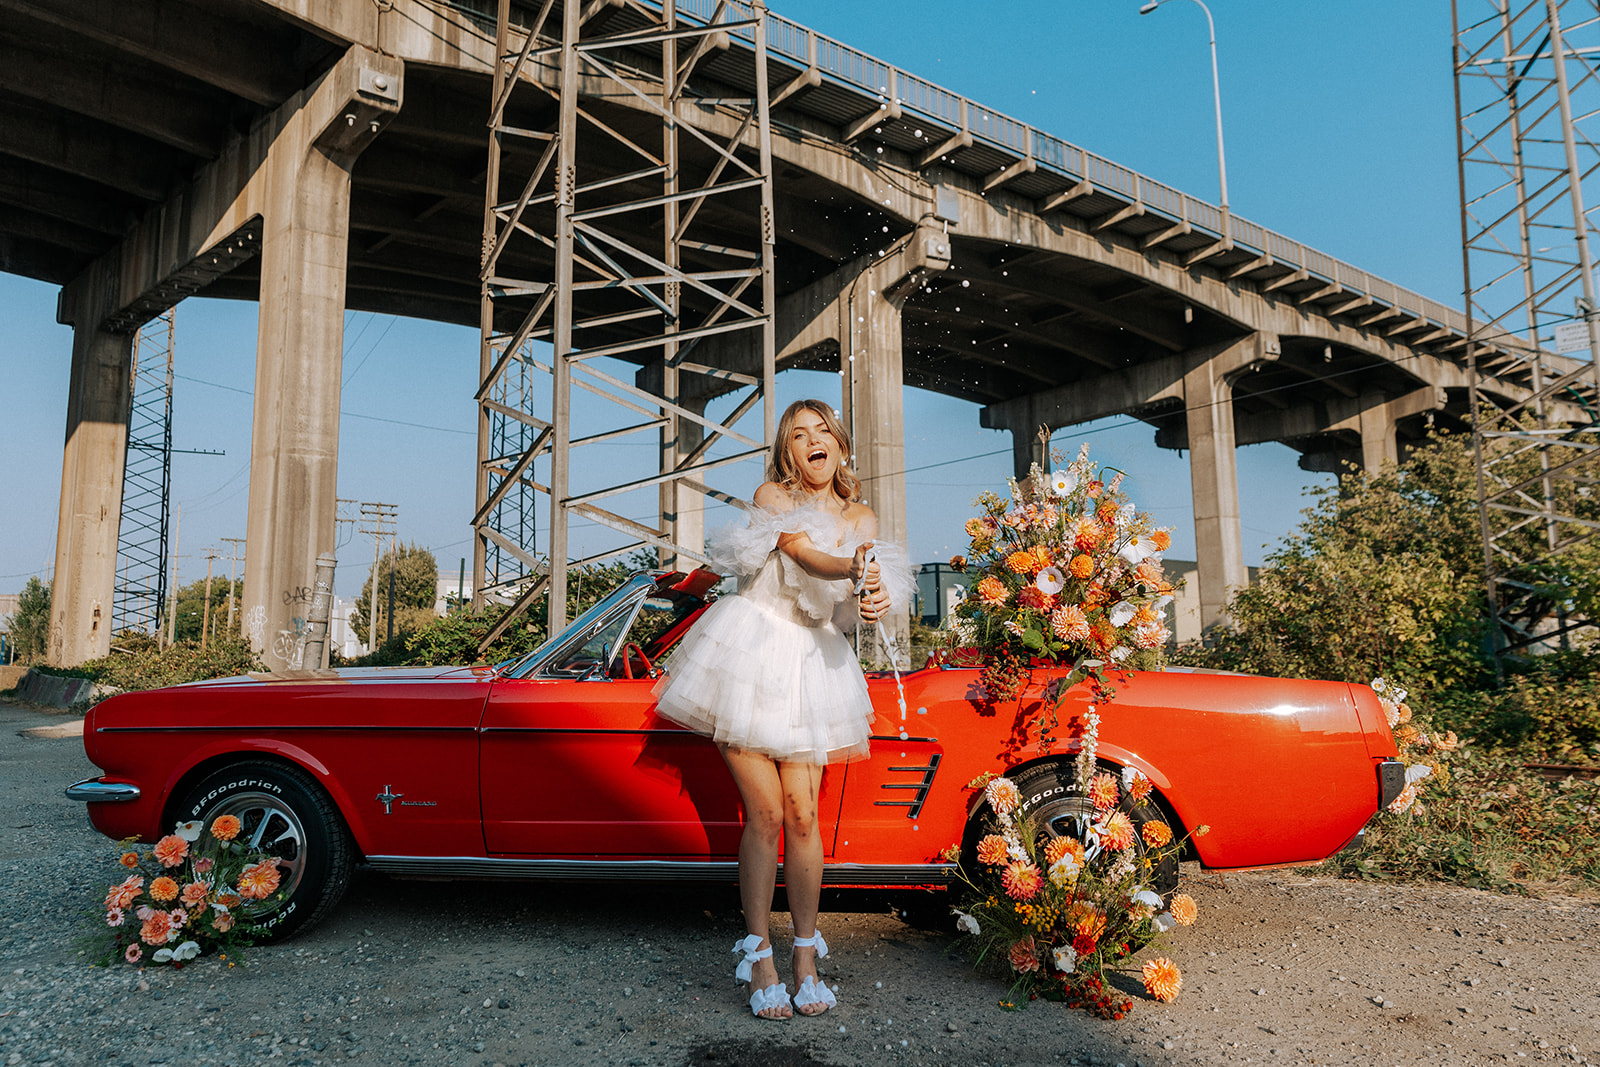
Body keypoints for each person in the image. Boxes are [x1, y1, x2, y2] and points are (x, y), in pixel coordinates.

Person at [654, 399, 911, 1020]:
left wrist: (869, 596)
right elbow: (802, 555)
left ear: (841, 446)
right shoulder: (773, 498)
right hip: (749, 655)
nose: (813, 441)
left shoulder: (862, 517)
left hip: (812, 666)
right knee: (764, 812)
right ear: (787, 454)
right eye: (799, 435)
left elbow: (852, 605)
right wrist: (852, 567)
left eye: (823, 431)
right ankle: (759, 954)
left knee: (802, 813)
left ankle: (804, 956)